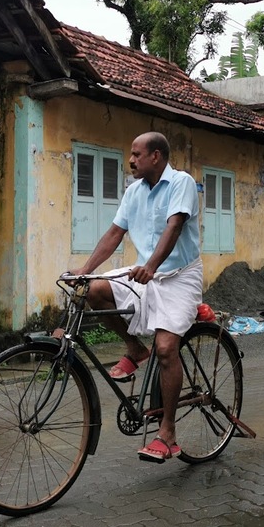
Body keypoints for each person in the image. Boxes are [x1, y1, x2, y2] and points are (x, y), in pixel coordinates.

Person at [69, 131, 202, 463]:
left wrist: (151, 266)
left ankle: (168, 432)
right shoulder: (133, 192)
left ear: (155, 156)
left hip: (179, 276)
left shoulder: (181, 183)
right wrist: (85, 271)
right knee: (95, 290)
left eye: (136, 154)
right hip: (146, 272)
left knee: (167, 348)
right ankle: (133, 348)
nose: (131, 160)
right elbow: (115, 232)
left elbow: (174, 227)